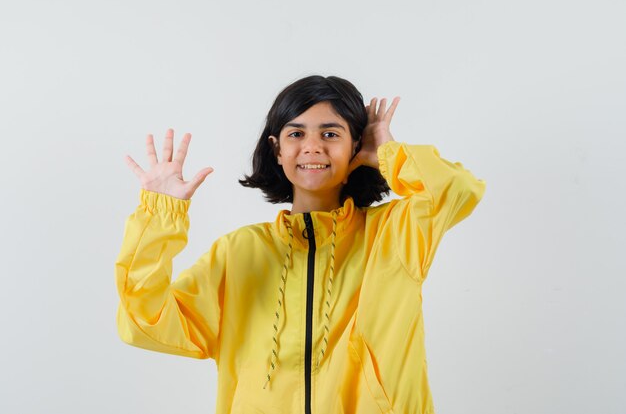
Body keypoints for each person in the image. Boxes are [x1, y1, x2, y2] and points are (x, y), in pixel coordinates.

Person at [115, 75, 486, 414]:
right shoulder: (239, 252)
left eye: (330, 134)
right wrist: (161, 214)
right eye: (296, 134)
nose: (311, 147)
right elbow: (145, 321)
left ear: (356, 145)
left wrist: (388, 152)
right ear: (276, 149)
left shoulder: (394, 234)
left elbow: (458, 190)